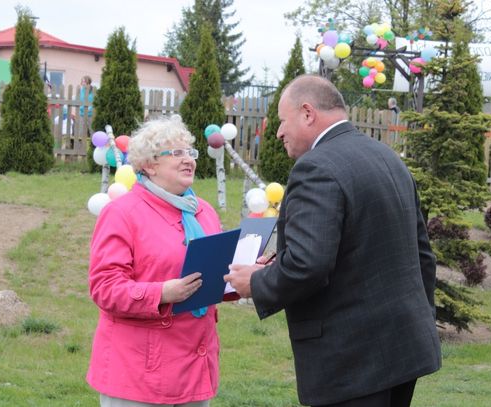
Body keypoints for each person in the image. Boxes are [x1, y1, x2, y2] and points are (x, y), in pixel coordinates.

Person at [224, 74, 441, 407]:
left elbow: (307, 265)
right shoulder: (386, 156)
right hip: (403, 349)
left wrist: (256, 282)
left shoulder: (315, 168)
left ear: (307, 113)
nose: (279, 132)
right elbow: (419, 253)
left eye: (283, 121)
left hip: (353, 362)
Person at [86, 115, 222, 407]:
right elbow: (105, 288)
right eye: (177, 153)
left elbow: (213, 274)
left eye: (191, 152)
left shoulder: (204, 212)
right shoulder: (122, 213)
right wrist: (161, 293)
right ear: (148, 164)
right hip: (137, 374)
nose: (189, 160)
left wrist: (241, 272)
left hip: (195, 368)